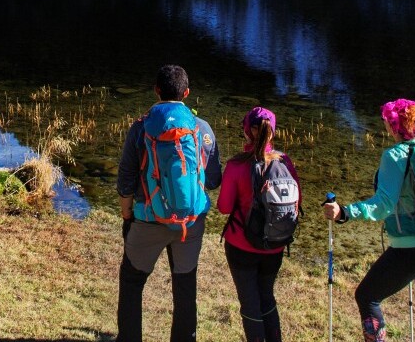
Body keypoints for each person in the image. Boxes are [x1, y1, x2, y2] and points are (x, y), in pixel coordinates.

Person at [322, 99, 415, 342]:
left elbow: (383, 205)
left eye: (387, 121)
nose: (385, 125)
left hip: (413, 247)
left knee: (367, 296)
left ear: (395, 126)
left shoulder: (394, 156)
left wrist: (345, 212)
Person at [116, 64, 222, 342]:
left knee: (132, 281)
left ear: (156, 91)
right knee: (185, 285)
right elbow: (212, 180)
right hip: (190, 223)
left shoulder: (141, 127)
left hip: (148, 220)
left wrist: (127, 211)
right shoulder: (203, 129)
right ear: (186, 93)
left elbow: (127, 176)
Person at [217, 106, 300, 342]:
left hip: (241, 246)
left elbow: (223, 207)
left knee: (250, 305)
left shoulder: (236, 165)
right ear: (272, 132)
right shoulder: (285, 161)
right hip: (275, 244)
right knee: (267, 298)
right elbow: (297, 202)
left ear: (247, 131)